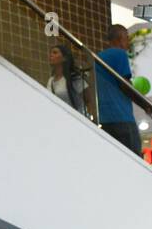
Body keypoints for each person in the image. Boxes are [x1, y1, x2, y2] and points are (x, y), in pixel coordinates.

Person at [96, 23, 141, 154]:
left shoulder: (98, 57)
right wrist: (146, 105)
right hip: (122, 118)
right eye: (127, 38)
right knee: (134, 161)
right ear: (120, 39)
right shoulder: (119, 54)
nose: (128, 43)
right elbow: (125, 85)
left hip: (104, 120)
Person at [47, 41, 93, 118]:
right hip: (61, 119)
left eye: (55, 53)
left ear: (64, 58)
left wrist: (88, 118)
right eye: (50, 53)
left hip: (79, 118)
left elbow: (88, 100)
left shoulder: (74, 78)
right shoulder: (51, 81)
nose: (51, 55)